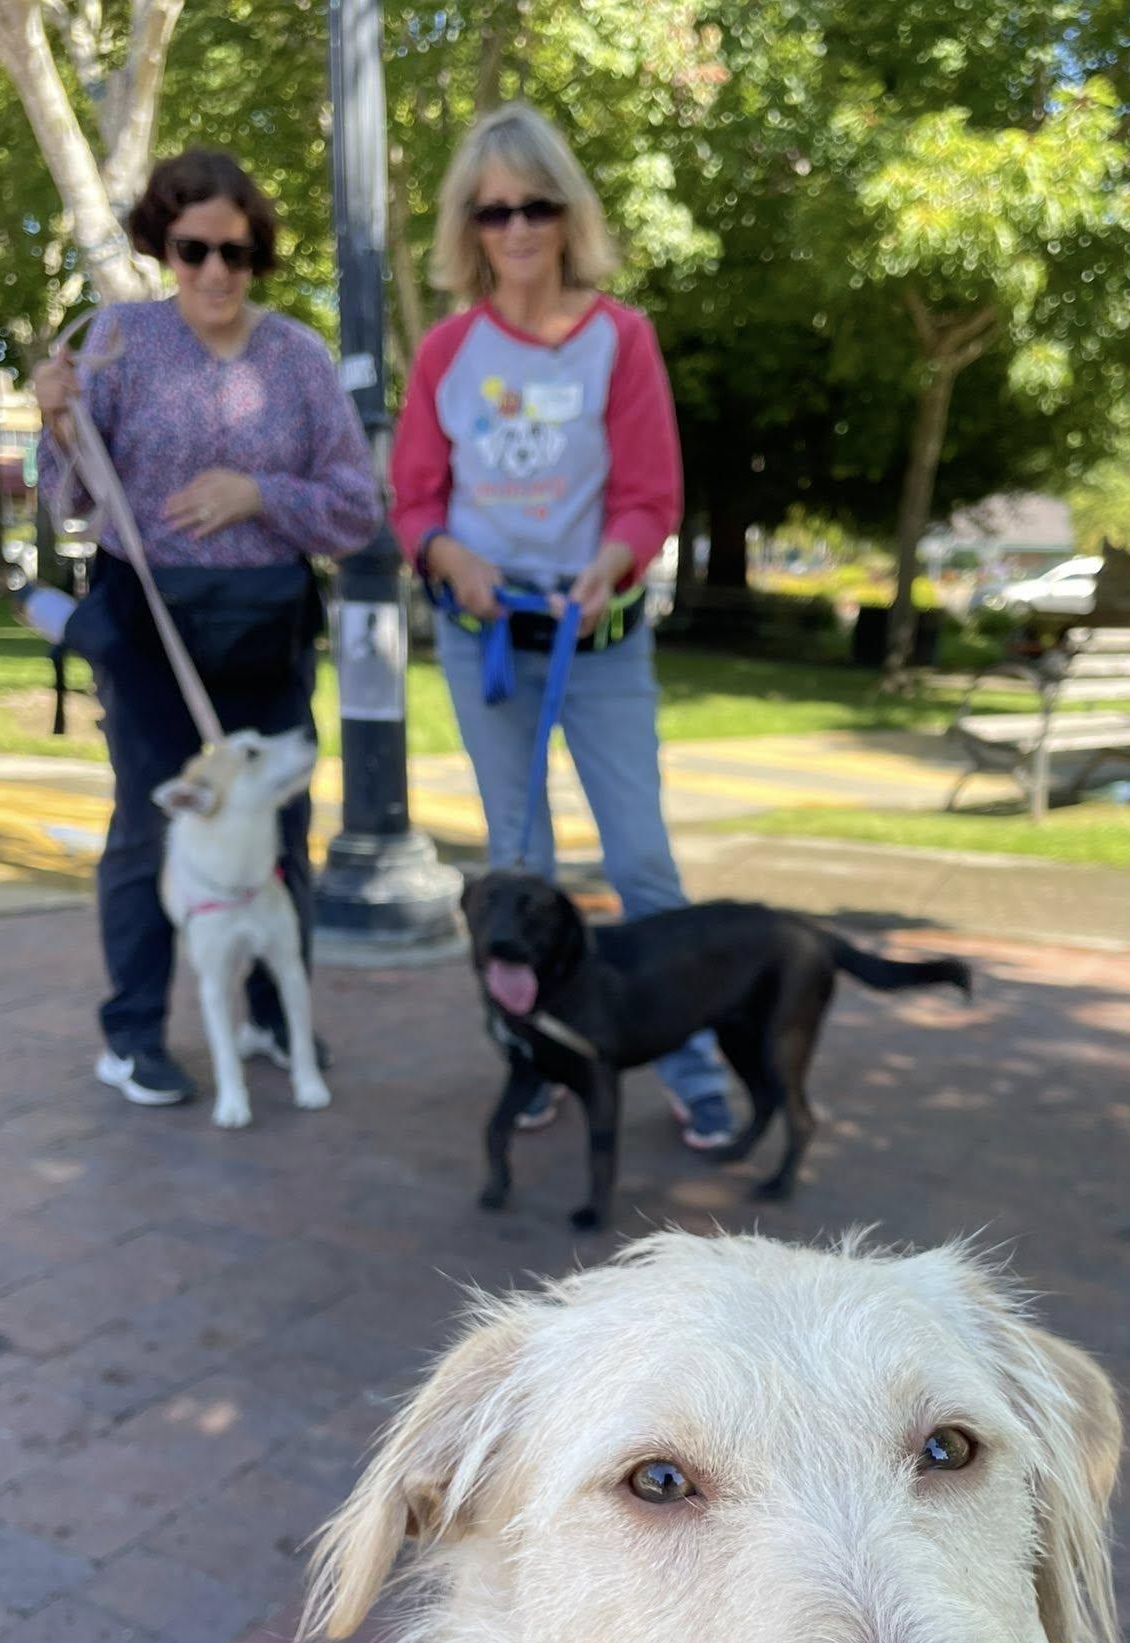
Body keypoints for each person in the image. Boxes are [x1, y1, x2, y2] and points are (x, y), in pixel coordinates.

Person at [389, 103, 734, 1149]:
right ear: (470, 226)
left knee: (642, 863)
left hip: (598, 636)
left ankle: (687, 1054)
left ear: (568, 213)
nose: (519, 229)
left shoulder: (619, 339)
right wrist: (453, 558)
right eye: (496, 212)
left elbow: (651, 493)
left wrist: (615, 558)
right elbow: (413, 502)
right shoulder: (447, 348)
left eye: (538, 205)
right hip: (488, 637)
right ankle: (531, 1052)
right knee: (519, 865)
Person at [33, 148, 379, 1108]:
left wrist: (257, 493)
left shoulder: (299, 359)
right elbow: (68, 500)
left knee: (281, 819)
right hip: (148, 628)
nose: (217, 274)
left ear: (258, 254)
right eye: (194, 251)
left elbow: (356, 510)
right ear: (164, 246)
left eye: (236, 253)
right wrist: (57, 424)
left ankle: (274, 1015)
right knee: (152, 819)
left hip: (267, 626)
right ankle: (134, 1034)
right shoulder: (117, 342)